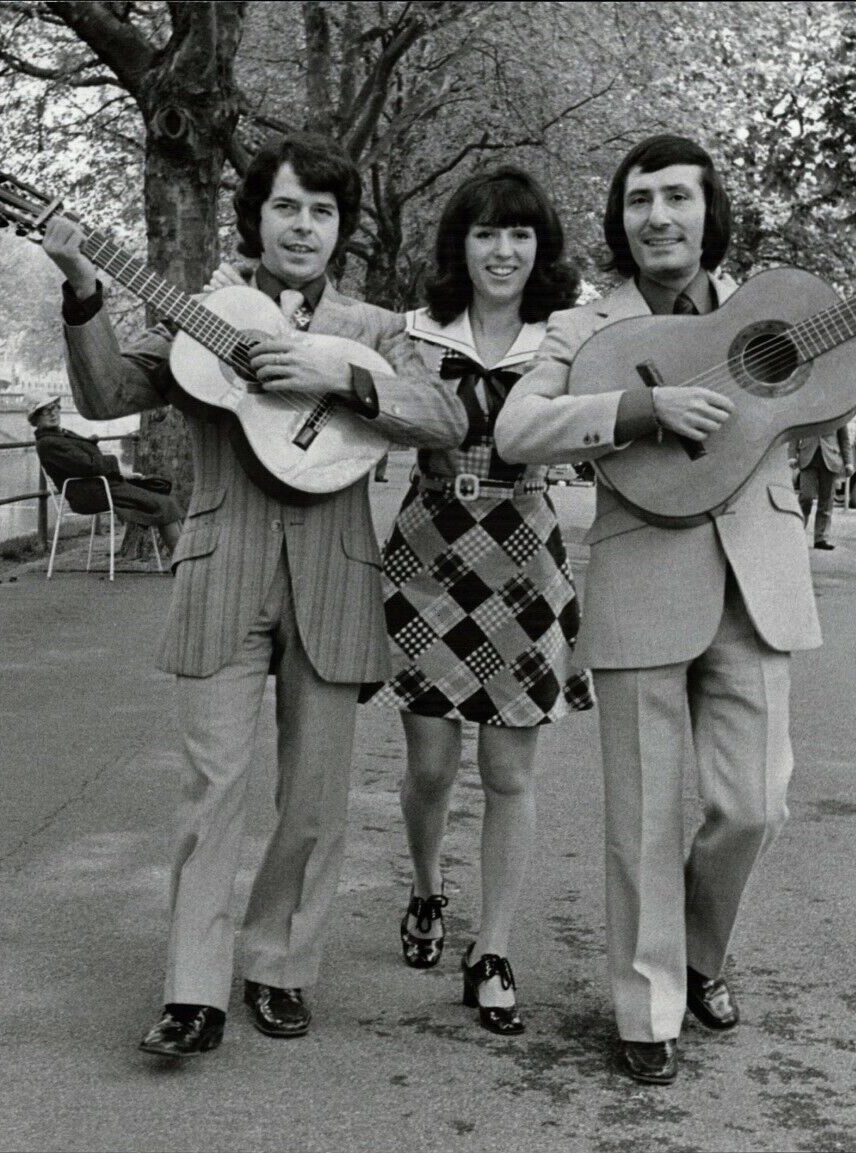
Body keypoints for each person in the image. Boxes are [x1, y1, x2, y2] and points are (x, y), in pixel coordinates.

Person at [494, 134, 856, 1084]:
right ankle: (647, 1008)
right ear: (621, 218)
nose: (659, 216)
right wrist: (639, 414)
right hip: (641, 577)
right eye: (641, 199)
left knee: (754, 806)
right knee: (643, 816)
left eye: (679, 199)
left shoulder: (771, 313)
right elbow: (518, 427)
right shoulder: (587, 326)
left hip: (759, 585)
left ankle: (697, 954)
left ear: (709, 214)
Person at [41, 133, 468, 1060]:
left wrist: (340, 378)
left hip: (336, 577)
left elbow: (446, 418)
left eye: (321, 211)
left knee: (312, 798)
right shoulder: (201, 312)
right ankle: (193, 992)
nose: (304, 226)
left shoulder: (375, 328)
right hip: (222, 567)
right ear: (256, 218)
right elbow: (109, 392)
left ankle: (278, 964)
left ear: (341, 229)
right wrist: (81, 282)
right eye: (286, 207)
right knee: (211, 791)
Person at [362, 166, 592, 1035]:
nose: (504, 250)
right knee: (429, 766)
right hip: (428, 557)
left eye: (521, 234)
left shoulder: (568, 338)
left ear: (542, 249)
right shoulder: (413, 335)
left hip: (527, 562)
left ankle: (492, 948)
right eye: (487, 233)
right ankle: (425, 888)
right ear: (462, 244)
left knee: (509, 773)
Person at [27, 394, 183, 556]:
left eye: (55, 408)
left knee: (160, 490)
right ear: (36, 419)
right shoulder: (49, 442)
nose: (53, 414)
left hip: (99, 486)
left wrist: (122, 474)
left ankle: (182, 556)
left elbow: (89, 463)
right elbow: (88, 466)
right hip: (90, 493)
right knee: (162, 503)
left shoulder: (58, 435)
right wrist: (114, 466)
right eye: (46, 411)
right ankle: (181, 560)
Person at [793, 421, 854, 549]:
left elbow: (844, 439)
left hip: (831, 459)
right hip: (808, 459)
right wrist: (792, 455)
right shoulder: (806, 411)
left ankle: (821, 538)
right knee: (806, 497)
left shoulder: (838, 412)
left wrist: (849, 462)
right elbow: (794, 434)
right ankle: (797, 534)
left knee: (826, 501)